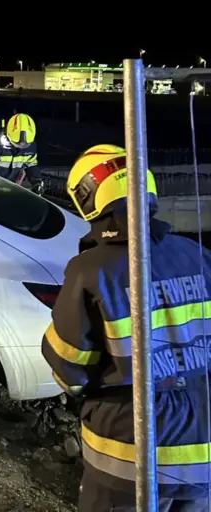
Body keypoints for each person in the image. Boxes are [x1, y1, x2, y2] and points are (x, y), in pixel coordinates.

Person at [41, 145, 211, 511]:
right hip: (200, 441)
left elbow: (68, 363)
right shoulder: (196, 254)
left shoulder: (91, 270)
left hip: (126, 447)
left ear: (90, 200)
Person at [0, 113, 41, 192]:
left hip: (9, 187)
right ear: (8, 134)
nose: (20, 147)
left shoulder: (31, 145)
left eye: (26, 145)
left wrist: (36, 181)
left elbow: (31, 164)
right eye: (16, 144)